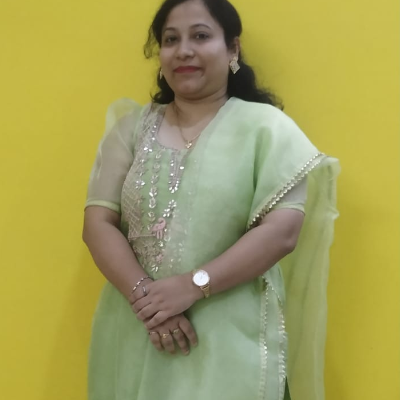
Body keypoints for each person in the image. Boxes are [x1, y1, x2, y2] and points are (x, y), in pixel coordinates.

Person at [83, 0, 339, 399]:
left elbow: (282, 232)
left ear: (232, 48)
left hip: (229, 334)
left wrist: (191, 286)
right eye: (171, 40)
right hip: (137, 326)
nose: (184, 50)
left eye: (200, 36)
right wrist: (148, 300)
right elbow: (98, 224)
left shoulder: (268, 130)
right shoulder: (130, 131)